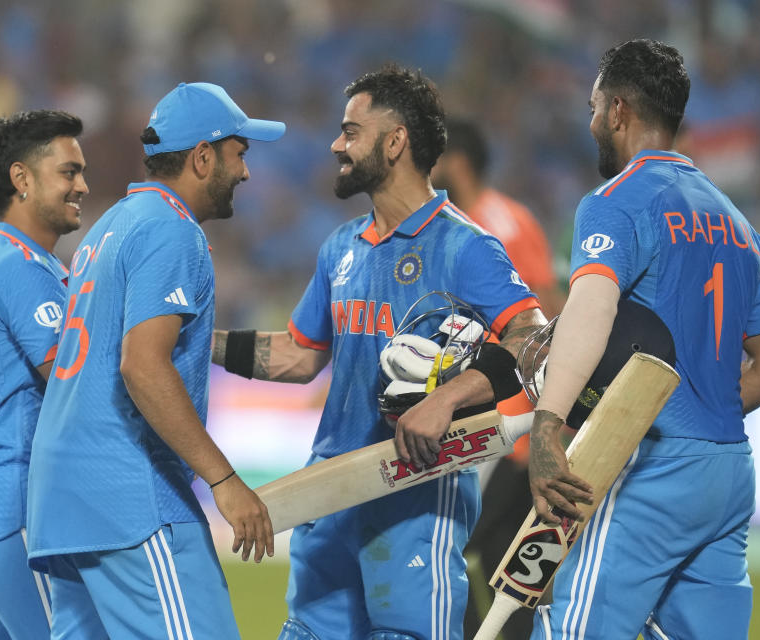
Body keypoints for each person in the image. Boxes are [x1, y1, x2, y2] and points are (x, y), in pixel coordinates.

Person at [212, 64, 546, 640]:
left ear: (395, 143)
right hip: (333, 492)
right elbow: (298, 354)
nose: (337, 144)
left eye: (351, 131)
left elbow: (534, 340)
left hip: (417, 497)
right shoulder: (341, 247)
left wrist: (450, 399)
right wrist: (197, 344)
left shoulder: (465, 246)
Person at [524, 39, 760, 639]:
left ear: (618, 110)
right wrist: (704, 419)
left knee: (572, 630)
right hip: (729, 471)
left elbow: (590, 314)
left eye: (594, 106)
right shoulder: (738, 223)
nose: (590, 120)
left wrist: (547, 428)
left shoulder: (617, 204)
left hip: (655, 471)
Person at [25, 82, 284, 639]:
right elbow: (142, 365)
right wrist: (225, 480)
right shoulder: (171, 230)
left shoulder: (112, 225)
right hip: (129, 496)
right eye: (240, 153)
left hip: (62, 501)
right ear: (202, 156)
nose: (245, 172)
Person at [0, 110, 87, 639]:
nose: (83, 186)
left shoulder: (28, 264)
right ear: (22, 179)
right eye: (69, 172)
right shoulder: (20, 268)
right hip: (16, 509)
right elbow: (73, 380)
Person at [432, 117, 557, 640]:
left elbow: (538, 321)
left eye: (435, 159)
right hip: (513, 425)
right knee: (507, 558)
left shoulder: (479, 229)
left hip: (501, 428)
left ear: (456, 162)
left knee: (465, 551)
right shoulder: (516, 219)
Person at [432, 117, 564, 318]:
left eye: (434, 160)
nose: (427, 171)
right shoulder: (439, 222)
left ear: (458, 164)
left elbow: (542, 302)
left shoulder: (507, 225)